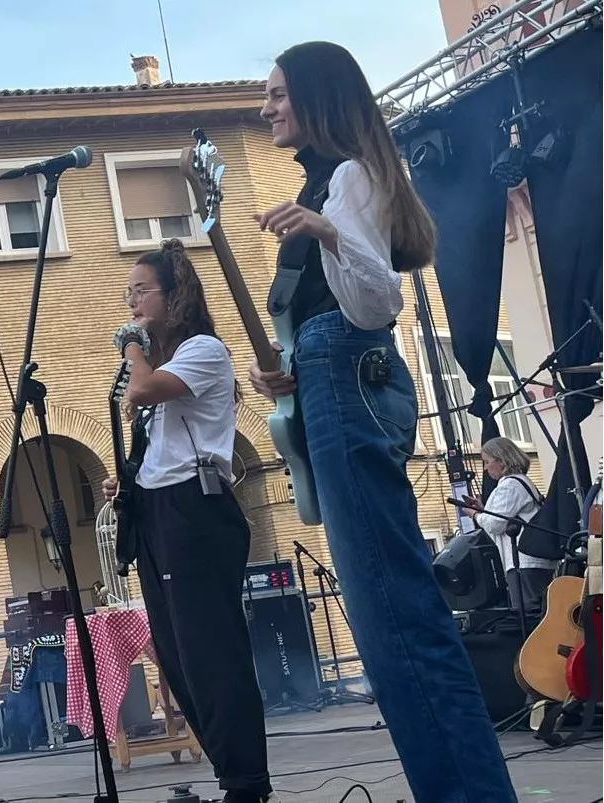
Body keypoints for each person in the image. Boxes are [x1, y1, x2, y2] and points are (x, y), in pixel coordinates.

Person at [249, 41, 517, 802]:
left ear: (316, 97)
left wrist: (326, 231)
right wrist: (289, 371)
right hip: (334, 383)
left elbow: (376, 302)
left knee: (394, 617)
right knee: (388, 618)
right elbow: (339, 316)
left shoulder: (347, 180)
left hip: (350, 387)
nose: (265, 108)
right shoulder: (335, 182)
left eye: (276, 94)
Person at [102, 240, 274, 803]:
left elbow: (147, 389)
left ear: (173, 296)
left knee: (209, 650)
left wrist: (133, 350)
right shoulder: (163, 361)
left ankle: (247, 780)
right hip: (157, 510)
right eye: (127, 293)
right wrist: (128, 479)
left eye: (140, 292)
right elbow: (161, 437)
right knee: (175, 655)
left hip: (194, 511)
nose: (131, 303)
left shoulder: (203, 349)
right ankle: (231, 772)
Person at [465, 437, 557, 630]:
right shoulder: (521, 482)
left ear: (502, 460)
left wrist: (475, 515)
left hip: (522, 562)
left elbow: (495, 524)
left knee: (528, 617)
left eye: (487, 461)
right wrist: (484, 509)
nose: (485, 468)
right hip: (533, 562)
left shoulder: (509, 485)